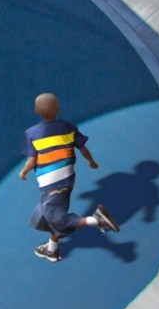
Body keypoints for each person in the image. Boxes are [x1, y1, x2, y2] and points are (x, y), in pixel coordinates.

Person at [19, 92, 119, 262]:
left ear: (36, 110)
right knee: (52, 214)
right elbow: (83, 149)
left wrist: (24, 172)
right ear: (58, 109)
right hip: (68, 178)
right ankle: (52, 250)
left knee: (57, 218)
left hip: (50, 185)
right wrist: (91, 162)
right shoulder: (69, 128)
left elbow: (32, 160)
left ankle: (96, 220)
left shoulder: (31, 134)